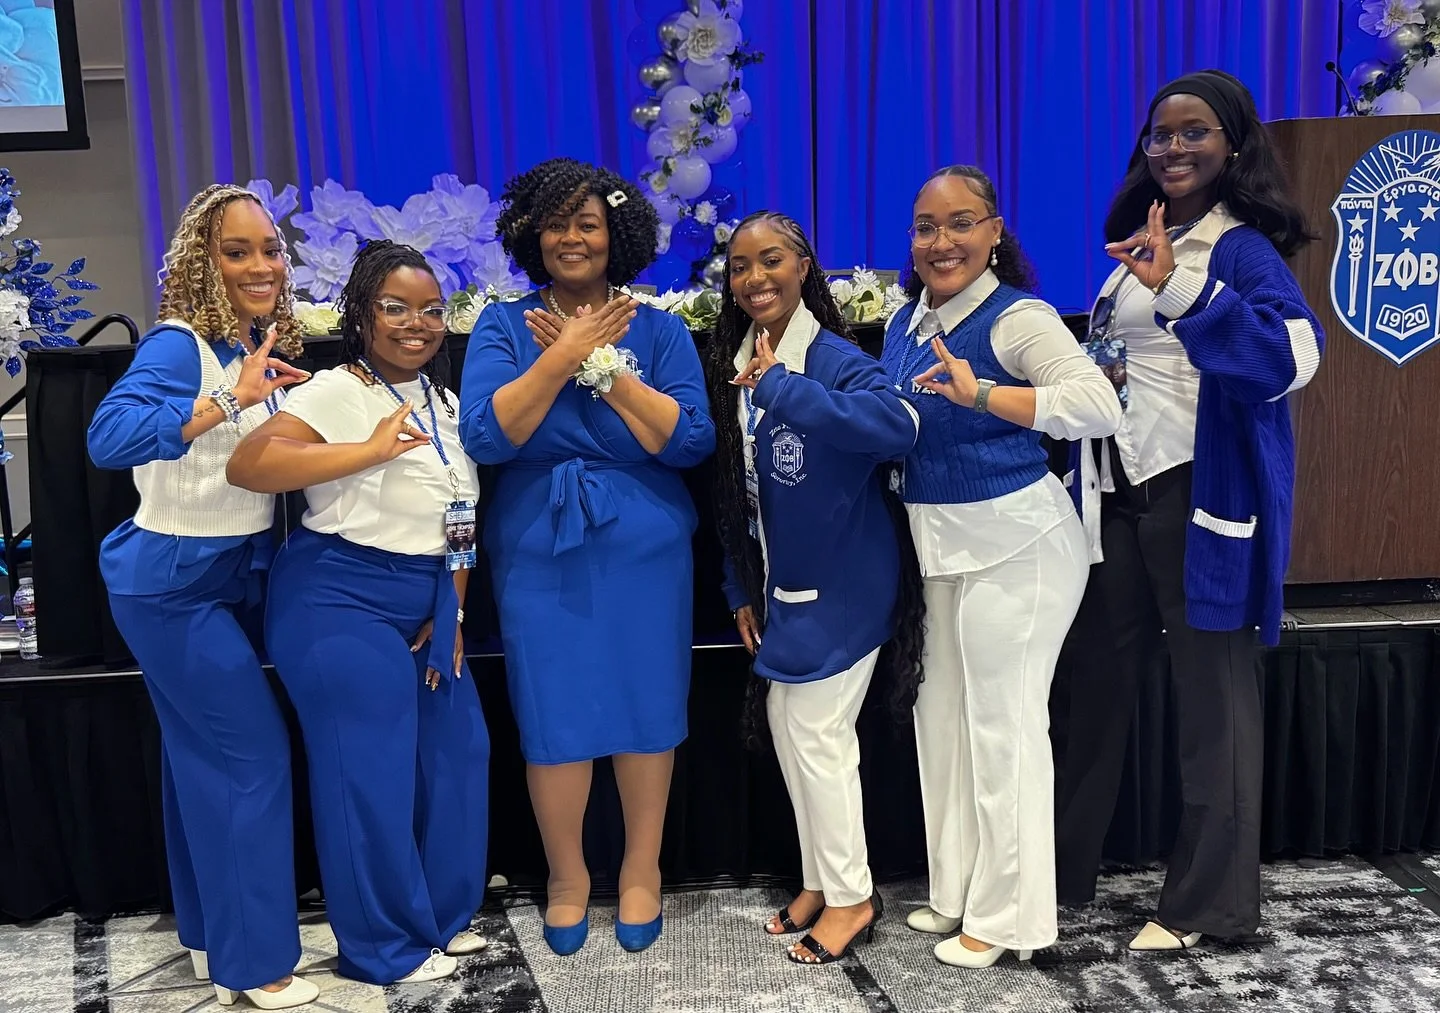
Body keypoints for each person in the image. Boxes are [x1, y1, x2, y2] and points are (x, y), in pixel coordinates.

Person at [1052, 69, 1323, 951]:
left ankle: (1205, 906)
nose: (1171, 146)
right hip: (1119, 498)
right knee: (1091, 686)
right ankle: (1054, 875)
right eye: (1160, 133)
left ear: (1233, 144)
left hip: (1199, 498)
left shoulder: (1241, 250)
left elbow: (1291, 359)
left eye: (1193, 131)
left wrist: (1184, 291)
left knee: (1214, 703)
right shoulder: (1145, 237)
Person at [460, 158, 715, 955]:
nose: (572, 237)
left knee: (647, 711)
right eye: (557, 223)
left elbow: (691, 440)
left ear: (617, 236)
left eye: (589, 223)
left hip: (645, 549)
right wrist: (562, 352)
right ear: (533, 233)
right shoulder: (503, 327)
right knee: (554, 716)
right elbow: (487, 434)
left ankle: (642, 870)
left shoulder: (661, 330)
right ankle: (567, 875)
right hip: (541, 546)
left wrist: (607, 373)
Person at [226, 241, 490, 985]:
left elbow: (460, 515)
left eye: (432, 309)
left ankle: (436, 918)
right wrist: (364, 453)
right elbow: (250, 464)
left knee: (457, 754)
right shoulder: (340, 389)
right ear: (363, 314)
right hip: (338, 596)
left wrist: (456, 608)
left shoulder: (445, 402)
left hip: (431, 594)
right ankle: (383, 946)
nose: (418, 322)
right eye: (397, 307)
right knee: (365, 772)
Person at [880, 165, 1122, 968]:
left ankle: (1011, 917)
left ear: (994, 231)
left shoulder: (1019, 319)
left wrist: (984, 394)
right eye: (924, 226)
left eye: (958, 223)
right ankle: (955, 889)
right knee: (940, 720)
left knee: (1002, 726)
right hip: (940, 547)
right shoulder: (904, 321)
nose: (939, 241)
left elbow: (1098, 404)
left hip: (1019, 545)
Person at [87, 184, 317, 1009]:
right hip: (172, 582)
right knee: (250, 755)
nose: (261, 264)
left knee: (198, 753)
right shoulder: (178, 345)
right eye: (238, 250)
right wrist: (224, 400)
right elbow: (107, 436)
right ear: (201, 262)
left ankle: (210, 933)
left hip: (226, 575)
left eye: (270, 249)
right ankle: (255, 964)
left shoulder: (253, 338)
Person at [706, 211, 923, 965]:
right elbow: (741, 489)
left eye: (771, 261)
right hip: (784, 589)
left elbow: (896, 424)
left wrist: (788, 390)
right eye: (739, 266)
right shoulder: (735, 356)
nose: (755, 277)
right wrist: (741, 582)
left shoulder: (829, 358)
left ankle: (855, 895)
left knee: (820, 737)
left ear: (804, 267)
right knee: (790, 726)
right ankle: (821, 879)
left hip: (846, 583)